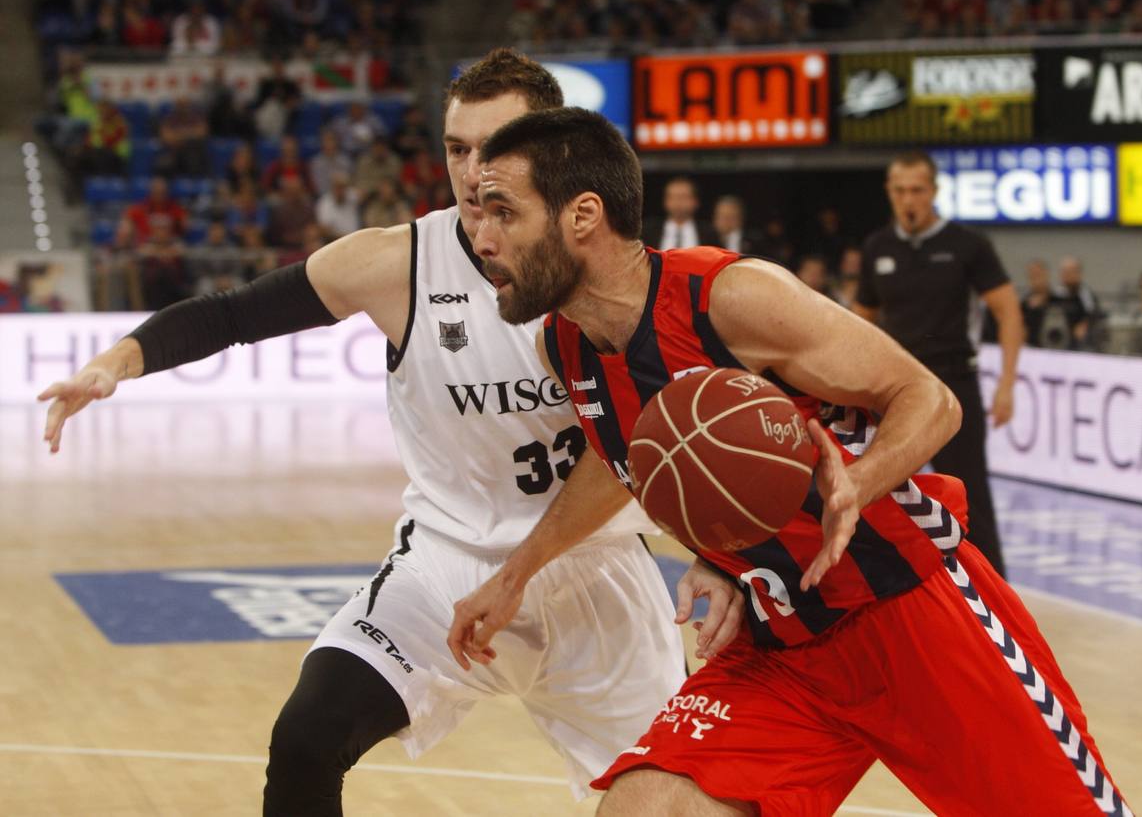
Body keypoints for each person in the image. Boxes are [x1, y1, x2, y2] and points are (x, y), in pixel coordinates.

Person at [37, 50, 738, 815]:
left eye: (494, 149)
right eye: (457, 149)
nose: (473, 174)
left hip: (597, 574)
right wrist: (118, 361)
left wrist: (726, 557)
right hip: (446, 566)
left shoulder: (609, 275)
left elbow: (667, 442)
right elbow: (232, 313)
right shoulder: (398, 263)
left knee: (672, 803)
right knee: (307, 736)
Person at [454, 107, 1129, 816]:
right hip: (783, 648)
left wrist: (856, 487)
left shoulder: (729, 298)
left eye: (503, 212)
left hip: (909, 611)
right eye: (479, 214)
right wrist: (520, 573)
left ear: (583, 215)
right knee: (647, 807)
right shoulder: (564, 348)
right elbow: (627, 453)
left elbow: (929, 400)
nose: (482, 238)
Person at [851, 151, 1024, 576]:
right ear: (889, 193)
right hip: (892, 389)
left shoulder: (968, 245)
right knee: (873, 491)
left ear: (933, 192)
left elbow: (1008, 311)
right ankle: (883, 591)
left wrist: (1006, 385)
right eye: (899, 190)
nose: (908, 199)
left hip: (953, 383)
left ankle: (993, 593)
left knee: (971, 498)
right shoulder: (877, 247)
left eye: (917, 190)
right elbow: (858, 322)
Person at [642, 176, 717, 249]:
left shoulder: (709, 233)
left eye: (683, 197)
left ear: (696, 201)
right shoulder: (648, 231)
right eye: (673, 197)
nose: (678, 202)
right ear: (665, 201)